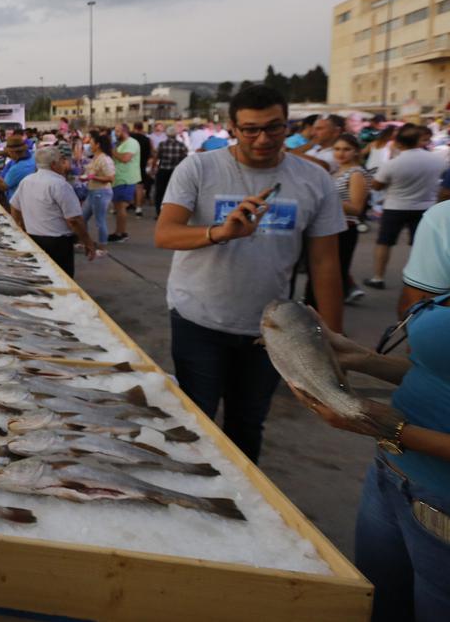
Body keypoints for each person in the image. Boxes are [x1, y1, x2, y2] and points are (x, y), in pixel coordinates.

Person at [154, 85, 345, 462]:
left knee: (247, 424)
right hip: (199, 319)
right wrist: (219, 232)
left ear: (287, 125)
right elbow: (165, 233)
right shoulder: (200, 167)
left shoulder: (314, 179)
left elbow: (325, 262)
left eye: (274, 128)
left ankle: (240, 505)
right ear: (232, 128)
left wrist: (332, 337)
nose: (263, 139)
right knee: (195, 421)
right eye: (251, 129)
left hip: (268, 330)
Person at [291, 301, 450, 620]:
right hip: (388, 475)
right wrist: (362, 359)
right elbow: (437, 374)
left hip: (441, 503)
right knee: (378, 606)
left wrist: (390, 428)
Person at [365, 123, 446, 290]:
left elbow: (377, 185)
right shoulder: (437, 160)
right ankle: (423, 280)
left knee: (385, 242)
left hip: (395, 205)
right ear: (418, 141)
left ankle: (378, 277)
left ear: (399, 143)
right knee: (420, 244)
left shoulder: (393, 163)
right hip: (426, 206)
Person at [9, 146, 97, 276]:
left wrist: (21, 226)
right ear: (54, 164)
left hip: (34, 237)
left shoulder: (27, 181)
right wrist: (87, 241)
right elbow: (74, 219)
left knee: (40, 277)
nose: (64, 164)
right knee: (61, 277)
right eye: (62, 161)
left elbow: (15, 206)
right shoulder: (60, 185)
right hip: (57, 243)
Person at [331, 135, 370, 305]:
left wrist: (327, 199)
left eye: (346, 149)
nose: (341, 153)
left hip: (345, 227)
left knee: (337, 269)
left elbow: (356, 208)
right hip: (332, 226)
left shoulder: (356, 174)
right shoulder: (337, 171)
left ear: (355, 152)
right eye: (337, 149)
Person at [80, 133, 115, 254]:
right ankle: (85, 241)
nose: (90, 145)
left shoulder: (105, 159)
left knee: (100, 221)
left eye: (91, 143)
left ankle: (102, 247)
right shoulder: (95, 157)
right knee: (82, 217)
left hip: (101, 192)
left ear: (98, 145)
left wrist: (92, 177)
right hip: (92, 191)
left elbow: (110, 178)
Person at [109, 123, 140, 242]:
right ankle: (118, 231)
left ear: (124, 131)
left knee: (121, 207)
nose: (115, 134)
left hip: (126, 179)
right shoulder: (121, 143)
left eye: (117, 131)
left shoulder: (131, 143)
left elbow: (125, 158)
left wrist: (113, 151)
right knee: (118, 206)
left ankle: (121, 233)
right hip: (119, 179)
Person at [151, 125, 188, 212]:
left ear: (167, 135)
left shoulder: (162, 144)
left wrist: (153, 168)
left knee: (160, 192)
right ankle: (173, 211)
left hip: (163, 170)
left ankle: (159, 212)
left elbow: (156, 158)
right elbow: (185, 159)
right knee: (175, 192)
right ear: (176, 135)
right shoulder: (181, 145)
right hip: (176, 171)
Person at [130, 122, 153, 217]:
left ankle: (132, 203)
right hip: (142, 164)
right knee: (139, 187)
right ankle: (138, 208)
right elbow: (150, 152)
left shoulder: (130, 138)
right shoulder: (147, 139)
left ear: (134, 127)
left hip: (130, 164)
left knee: (131, 186)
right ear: (142, 128)